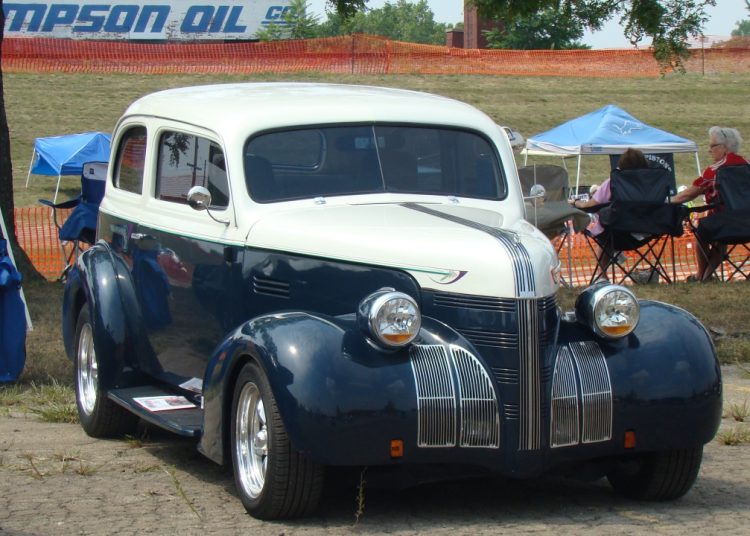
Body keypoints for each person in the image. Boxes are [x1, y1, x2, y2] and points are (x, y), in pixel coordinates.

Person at [671, 127, 749, 281]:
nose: (709, 150)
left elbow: (688, 194)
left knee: (703, 230)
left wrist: (668, 201)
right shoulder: (747, 164)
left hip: (725, 224)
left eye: (712, 146)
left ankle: (702, 275)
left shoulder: (715, 170)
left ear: (724, 147)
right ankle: (705, 276)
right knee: (719, 234)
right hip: (747, 223)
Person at [569, 148, 649, 279]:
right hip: (646, 232)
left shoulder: (614, 182)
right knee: (608, 228)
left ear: (621, 164)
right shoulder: (651, 184)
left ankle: (602, 275)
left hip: (617, 233)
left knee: (605, 231)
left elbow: (591, 205)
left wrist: (576, 202)